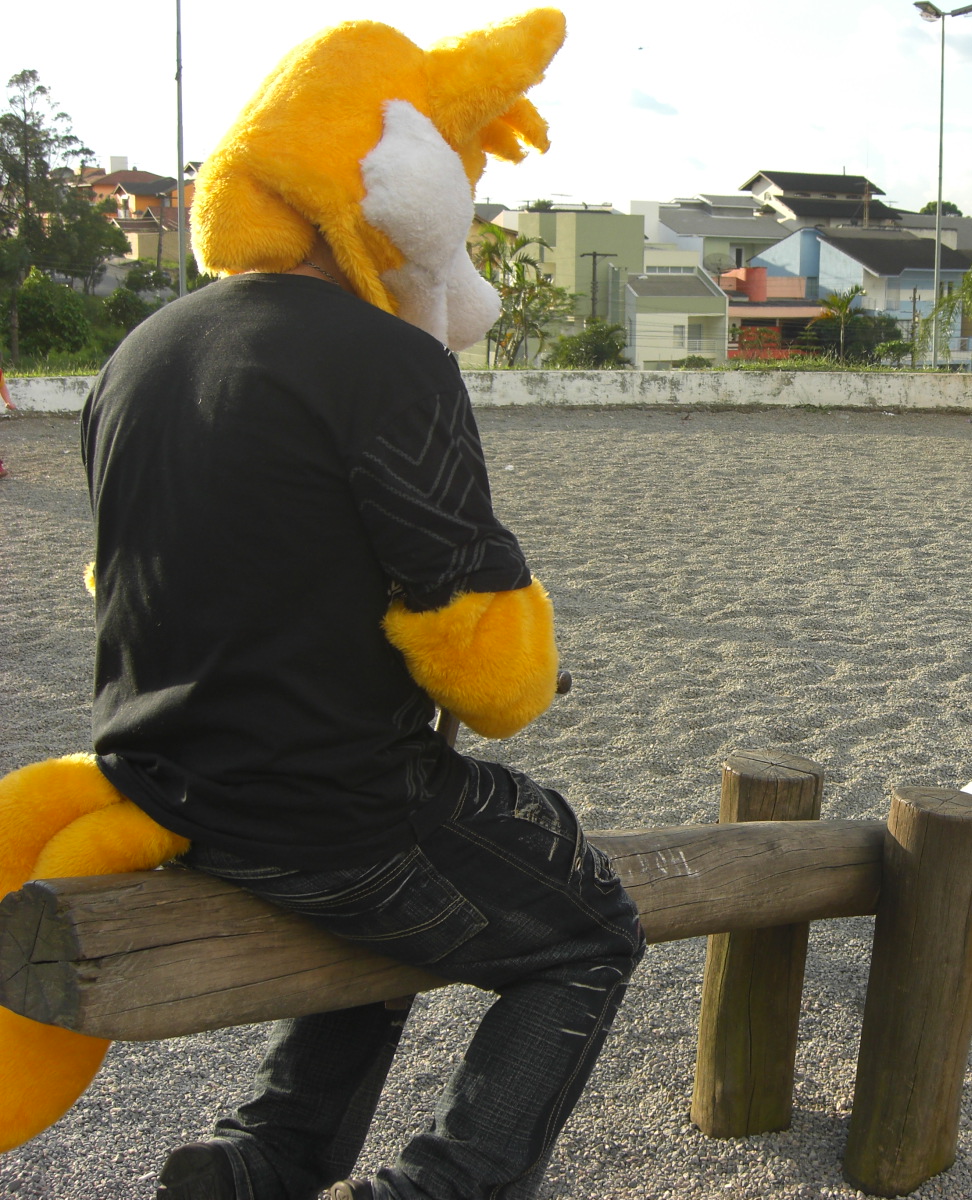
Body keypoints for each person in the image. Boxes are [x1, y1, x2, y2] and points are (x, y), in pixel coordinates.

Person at [75, 13, 645, 1200]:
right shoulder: (390, 362)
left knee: (423, 889)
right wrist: (531, 672)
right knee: (588, 927)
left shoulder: (142, 351)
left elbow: (122, 578)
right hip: (327, 819)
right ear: (398, 191)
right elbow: (476, 652)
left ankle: (272, 1156)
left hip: (157, 789)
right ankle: (439, 1185)